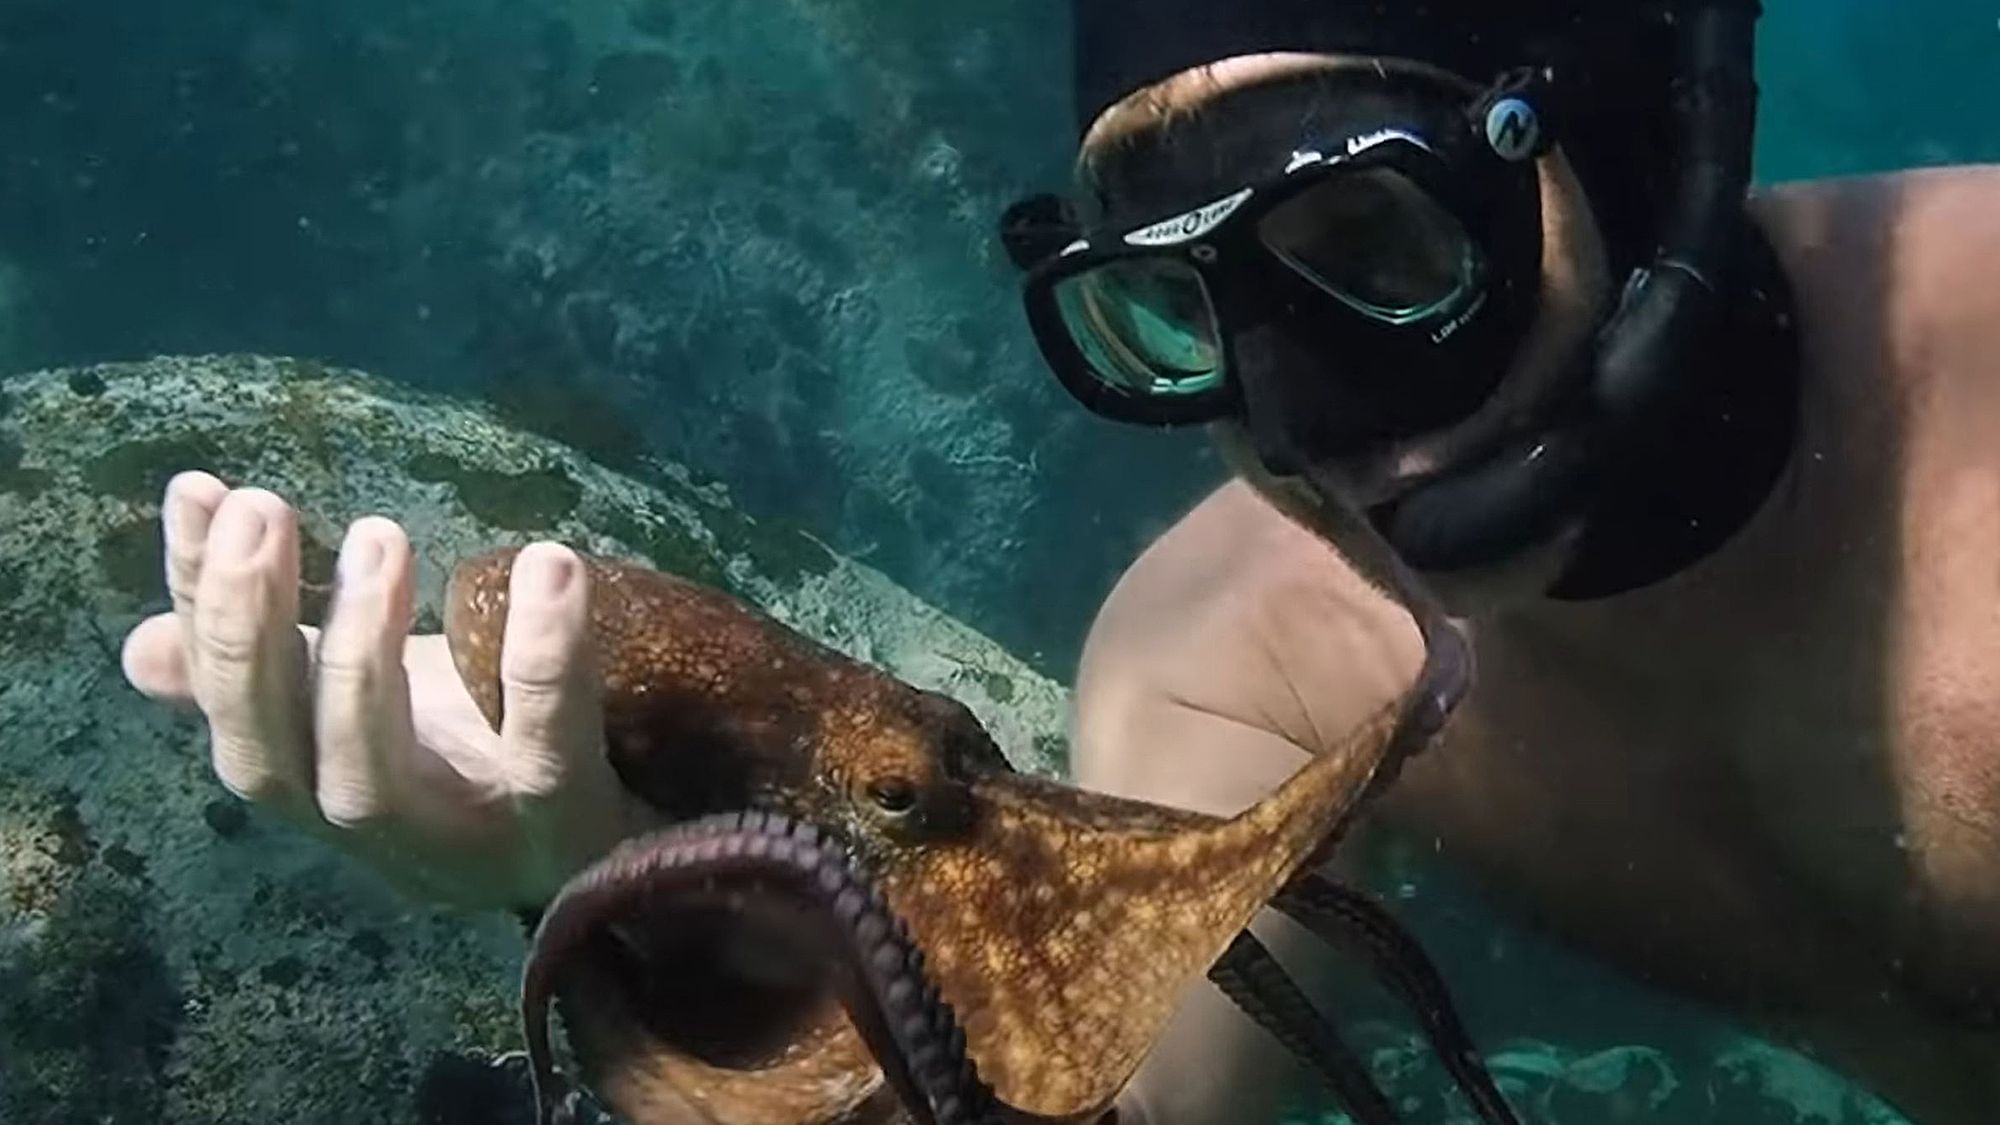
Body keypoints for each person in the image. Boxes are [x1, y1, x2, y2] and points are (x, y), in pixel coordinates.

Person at [120, 1, 2000, 1123]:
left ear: (1608, 126)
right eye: (1183, 311)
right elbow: (1100, 1103)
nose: (1301, 422)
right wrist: (688, 948)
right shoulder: (1229, 658)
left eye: (1377, 243)